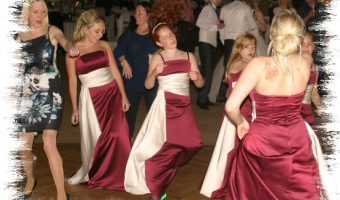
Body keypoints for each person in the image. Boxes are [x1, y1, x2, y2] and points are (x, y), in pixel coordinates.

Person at [215, 10, 321, 199]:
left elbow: (231, 107)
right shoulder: (306, 61)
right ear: (298, 38)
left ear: (272, 35)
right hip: (296, 139)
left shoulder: (257, 65)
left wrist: (240, 123)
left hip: (263, 140)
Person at [124, 23, 204, 200]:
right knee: (169, 144)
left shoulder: (188, 55)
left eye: (171, 34)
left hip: (184, 105)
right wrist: (153, 73)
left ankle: (162, 169)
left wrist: (197, 77)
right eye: (165, 37)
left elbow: (200, 84)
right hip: (166, 105)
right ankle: (156, 180)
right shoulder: (158, 57)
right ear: (159, 43)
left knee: (194, 142)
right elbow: (147, 85)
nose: (170, 38)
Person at [17, 0, 79, 199]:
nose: (40, 15)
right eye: (35, 11)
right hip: (27, 93)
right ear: (27, 13)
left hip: (51, 92)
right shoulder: (19, 37)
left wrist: (70, 48)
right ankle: (30, 178)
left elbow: (64, 40)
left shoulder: (51, 31)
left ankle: (62, 195)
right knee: (23, 148)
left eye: (43, 11)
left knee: (48, 143)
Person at [65, 9, 131, 190]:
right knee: (97, 138)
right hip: (91, 99)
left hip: (112, 94)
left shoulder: (104, 46)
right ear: (85, 29)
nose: (101, 34)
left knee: (119, 134)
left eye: (102, 31)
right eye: (97, 31)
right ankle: (101, 173)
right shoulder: (73, 52)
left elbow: (115, 71)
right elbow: (72, 81)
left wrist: (124, 95)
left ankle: (123, 173)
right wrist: (75, 109)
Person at [200, 33, 257, 197]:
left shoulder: (255, 64)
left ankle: (247, 180)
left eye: (253, 46)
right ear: (239, 49)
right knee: (233, 149)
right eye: (247, 46)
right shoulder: (234, 64)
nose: (251, 50)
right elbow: (233, 94)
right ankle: (235, 180)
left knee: (248, 149)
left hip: (251, 112)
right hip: (237, 112)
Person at [114, 2, 158, 138]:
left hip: (151, 81)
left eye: (140, 13)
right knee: (129, 115)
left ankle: (153, 143)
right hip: (132, 80)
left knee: (154, 114)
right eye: (136, 12)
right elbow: (118, 50)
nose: (136, 15)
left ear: (148, 15)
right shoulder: (131, 32)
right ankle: (127, 143)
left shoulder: (156, 33)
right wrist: (124, 62)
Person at [196, 0, 224, 109]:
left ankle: (204, 97)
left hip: (209, 43)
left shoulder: (211, 9)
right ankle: (201, 99)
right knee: (207, 71)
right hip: (206, 43)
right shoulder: (207, 8)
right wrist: (216, 27)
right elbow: (199, 23)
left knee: (208, 71)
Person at [301, 31, 322, 127]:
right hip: (292, 110)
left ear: (313, 47)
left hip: (306, 110)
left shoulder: (315, 68)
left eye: (309, 44)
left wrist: (319, 106)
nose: (306, 47)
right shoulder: (293, 65)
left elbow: (314, 90)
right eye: (302, 44)